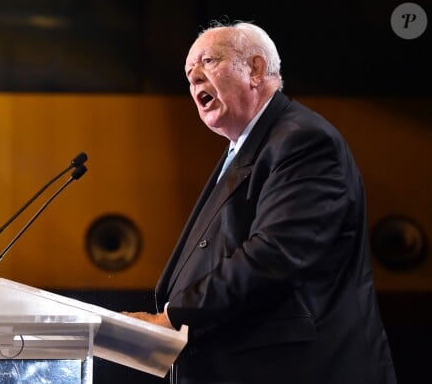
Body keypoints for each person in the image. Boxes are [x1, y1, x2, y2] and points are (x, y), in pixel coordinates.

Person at [124, 21, 397, 384]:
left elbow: (275, 255)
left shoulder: (304, 142)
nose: (194, 80)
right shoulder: (246, 149)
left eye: (207, 62)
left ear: (254, 69)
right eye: (189, 74)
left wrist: (175, 316)